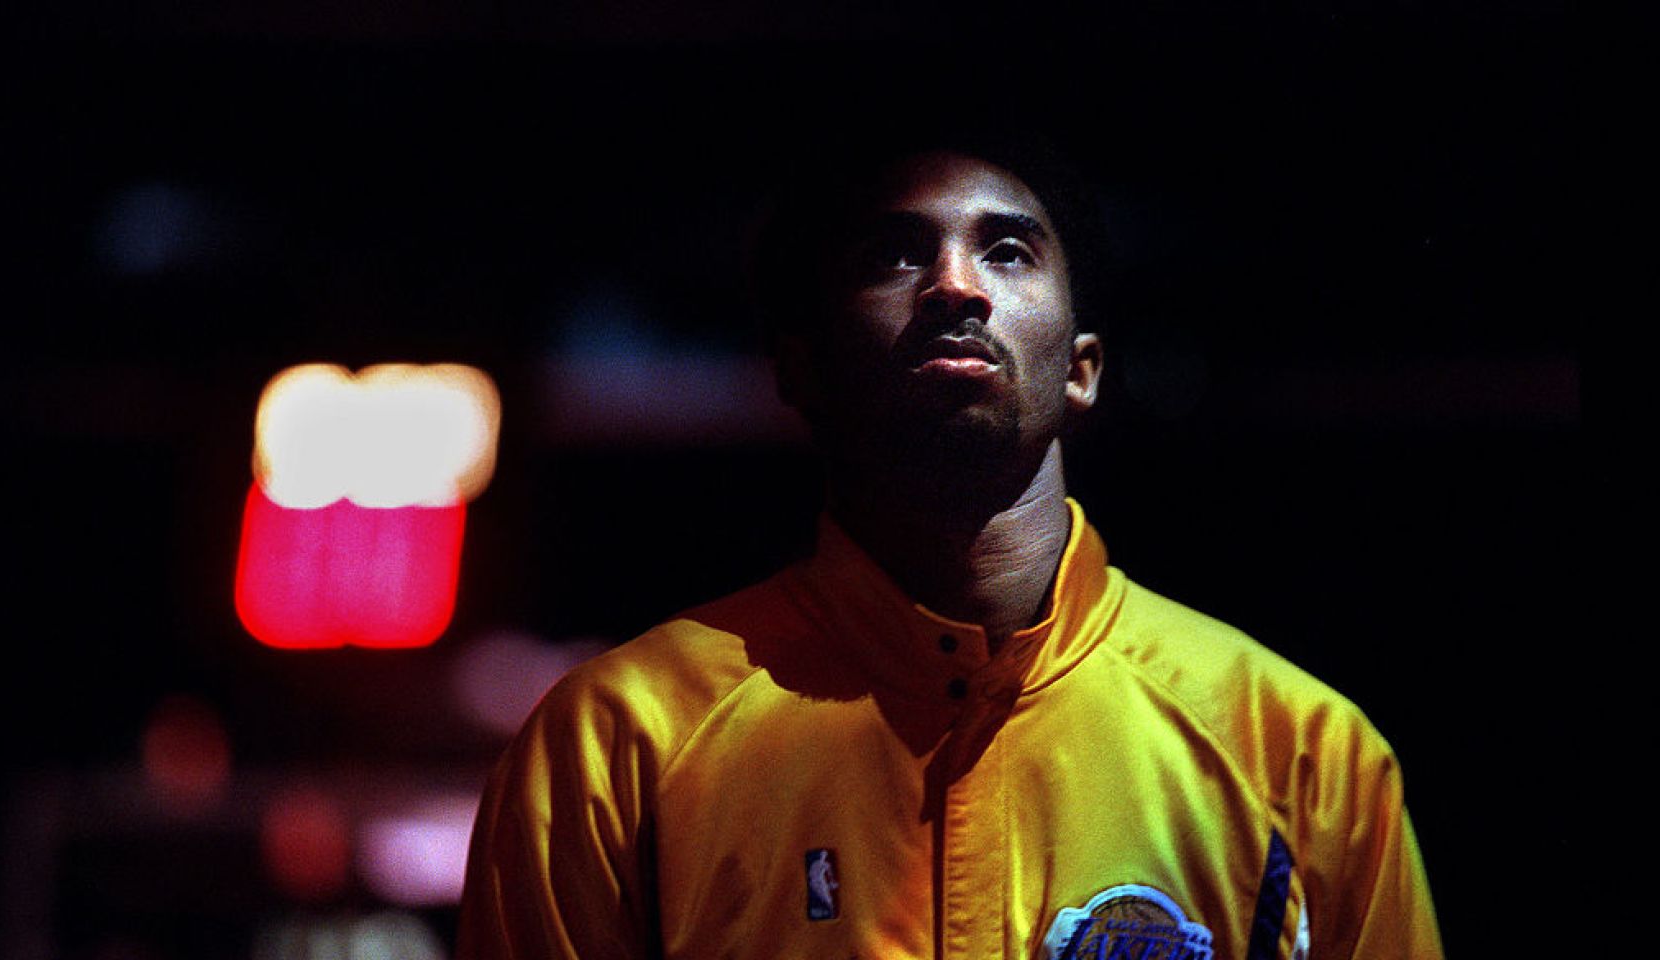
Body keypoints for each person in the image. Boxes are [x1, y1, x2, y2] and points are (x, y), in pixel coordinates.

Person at [455, 128, 1444, 959]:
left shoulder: (1300, 754)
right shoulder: (614, 746)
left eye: (1009, 251)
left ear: (1083, 371)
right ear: (798, 369)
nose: (954, 286)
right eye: (895, 255)